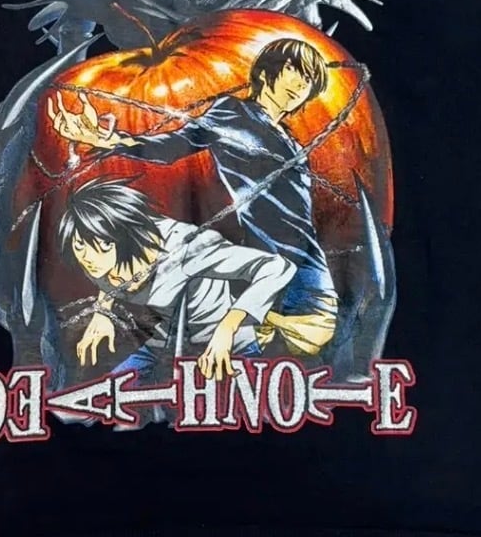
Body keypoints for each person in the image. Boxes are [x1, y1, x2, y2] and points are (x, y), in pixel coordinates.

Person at [48, 38, 339, 357]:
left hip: (303, 258)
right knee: (287, 345)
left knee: (308, 343)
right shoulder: (233, 112)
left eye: (309, 79)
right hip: (274, 255)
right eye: (293, 71)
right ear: (266, 71)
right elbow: (178, 143)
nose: (300, 85)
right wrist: (112, 140)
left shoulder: (290, 140)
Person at [58, 178, 295, 382]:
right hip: (163, 345)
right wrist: (102, 311)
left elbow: (276, 267)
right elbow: (106, 277)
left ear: (126, 236)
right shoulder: (94, 260)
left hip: (226, 347)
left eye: (103, 244)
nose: (88, 257)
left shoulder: (188, 248)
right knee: (108, 394)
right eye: (80, 245)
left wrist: (227, 327)